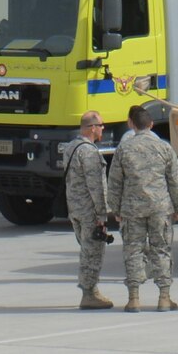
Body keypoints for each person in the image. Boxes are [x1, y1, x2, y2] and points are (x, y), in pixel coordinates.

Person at [106, 104, 178, 312]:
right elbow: (176, 181)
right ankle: (164, 297)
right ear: (151, 124)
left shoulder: (124, 148)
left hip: (132, 209)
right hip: (160, 207)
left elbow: (115, 181)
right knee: (162, 250)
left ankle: (134, 298)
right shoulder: (164, 147)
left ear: (130, 124)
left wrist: (114, 208)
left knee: (133, 250)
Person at [63, 110, 114, 309]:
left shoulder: (71, 147)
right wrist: (102, 215)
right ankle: (89, 293)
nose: (103, 129)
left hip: (74, 207)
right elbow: (97, 186)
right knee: (92, 252)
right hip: (89, 211)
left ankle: (89, 290)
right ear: (92, 128)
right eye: (101, 126)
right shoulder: (89, 152)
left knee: (86, 249)